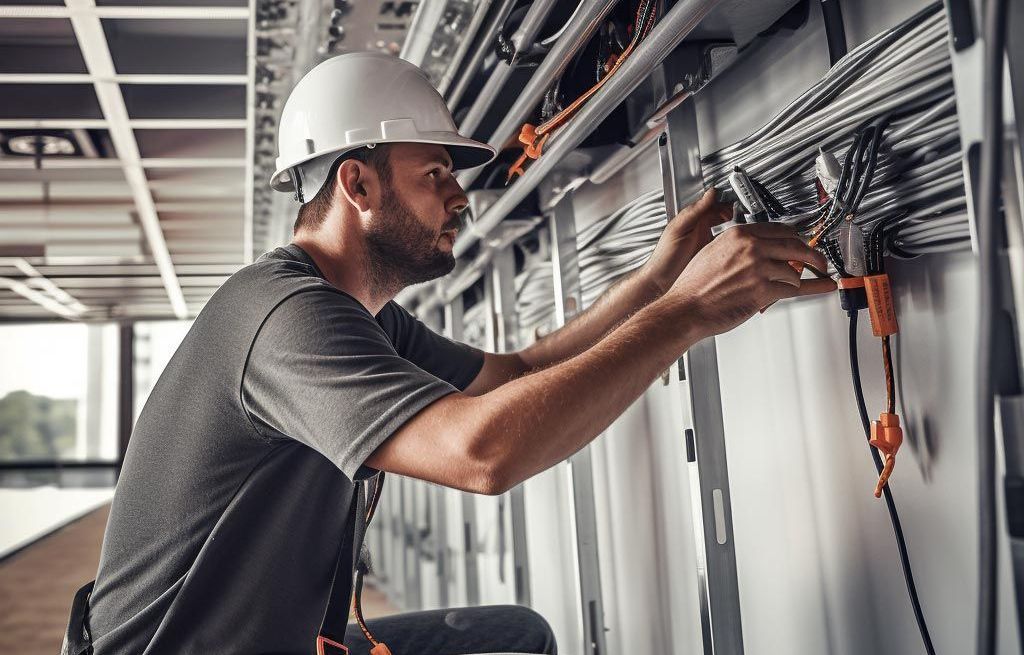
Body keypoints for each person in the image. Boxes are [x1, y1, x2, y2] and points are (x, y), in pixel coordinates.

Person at [70, 53, 835, 655]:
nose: (460, 195)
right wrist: (689, 312)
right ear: (357, 183)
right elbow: (483, 451)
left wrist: (661, 276)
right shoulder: (285, 316)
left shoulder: (363, 316)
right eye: (435, 174)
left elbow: (521, 375)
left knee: (516, 637)